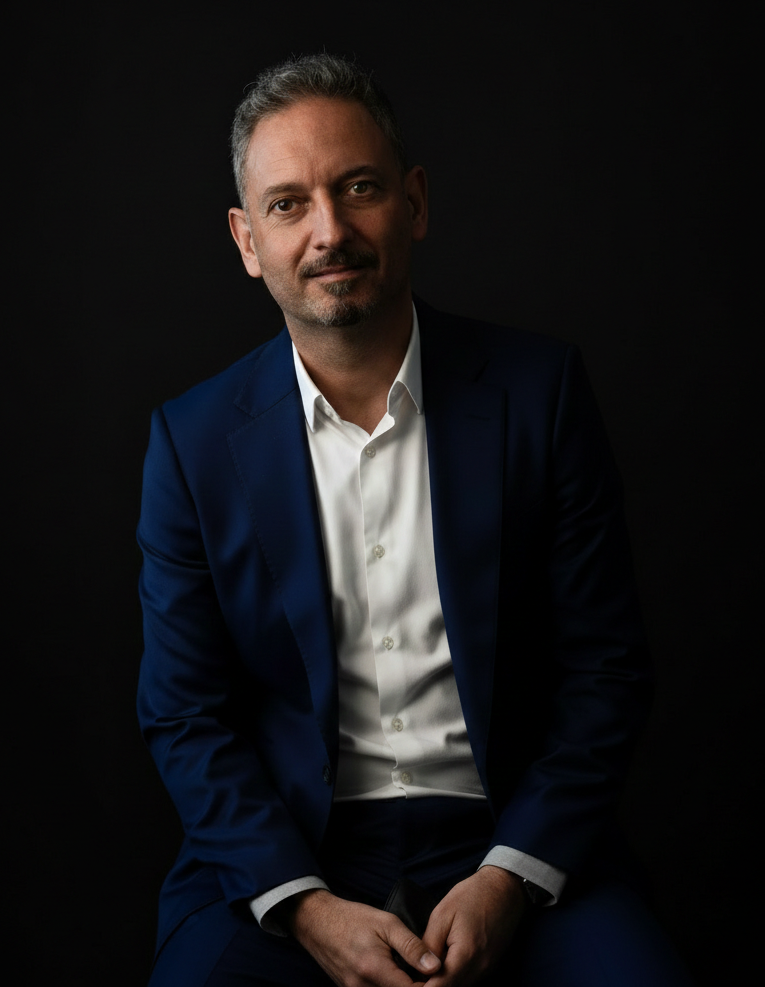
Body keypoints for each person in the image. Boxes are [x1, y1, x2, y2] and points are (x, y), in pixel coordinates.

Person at [137, 54, 694, 987]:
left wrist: (510, 874)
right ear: (246, 239)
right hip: (287, 853)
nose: (329, 231)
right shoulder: (190, 443)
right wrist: (304, 904)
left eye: (358, 187)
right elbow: (183, 714)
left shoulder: (540, 394)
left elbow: (604, 668)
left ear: (415, 202)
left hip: (513, 832)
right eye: (287, 204)